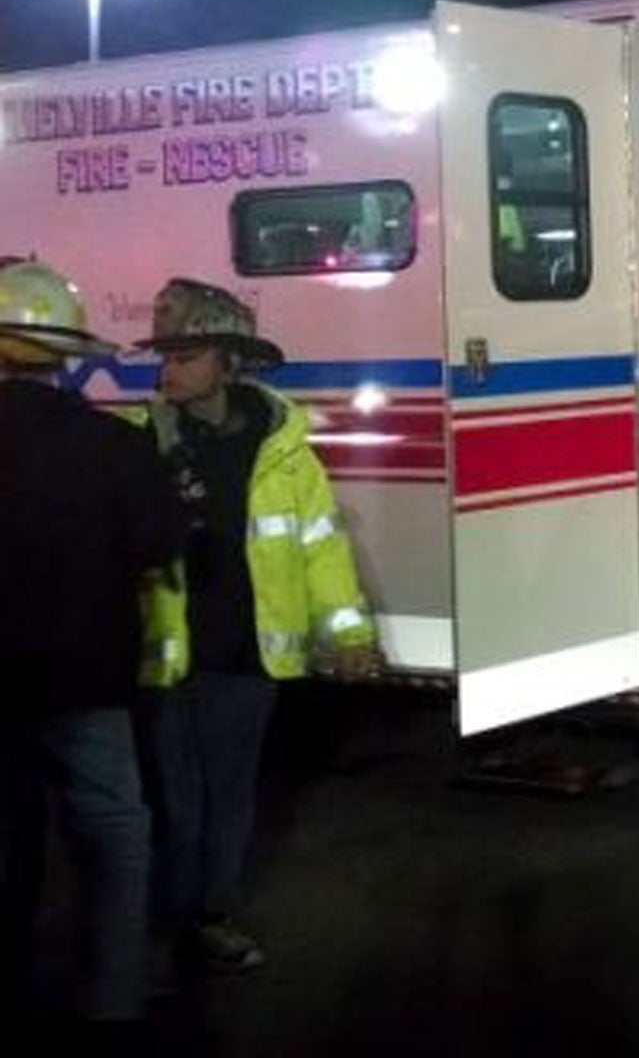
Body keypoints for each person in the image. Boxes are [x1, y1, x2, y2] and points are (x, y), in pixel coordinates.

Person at [129, 278, 381, 977]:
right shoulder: (138, 440)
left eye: (186, 354)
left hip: (245, 659)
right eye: (165, 355)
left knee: (226, 799)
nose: (167, 369)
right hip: (165, 659)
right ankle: (165, 922)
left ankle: (207, 917)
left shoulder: (284, 450)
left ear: (229, 361)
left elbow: (322, 547)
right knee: (171, 801)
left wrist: (349, 634)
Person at [0, 260, 181, 1033]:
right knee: (112, 835)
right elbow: (161, 544)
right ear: (67, 355)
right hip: (88, 683)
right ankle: (109, 999)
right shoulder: (115, 444)